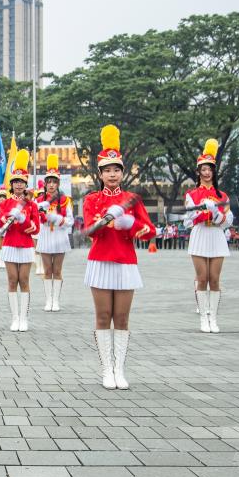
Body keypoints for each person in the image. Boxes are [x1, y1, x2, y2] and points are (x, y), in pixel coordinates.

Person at [84, 125, 155, 390]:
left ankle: (120, 369)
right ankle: (106, 370)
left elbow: (149, 231)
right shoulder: (92, 199)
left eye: (116, 169)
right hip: (100, 261)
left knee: (122, 318)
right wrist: (108, 220)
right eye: (107, 170)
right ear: (100, 174)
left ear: (122, 172)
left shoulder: (132, 199)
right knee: (103, 316)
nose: (112, 174)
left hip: (126, 262)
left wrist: (129, 224)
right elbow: (90, 229)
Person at [184, 139, 234, 334]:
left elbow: (227, 221)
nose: (206, 173)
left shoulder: (222, 196)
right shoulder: (192, 195)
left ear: (214, 172)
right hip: (200, 236)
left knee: (214, 279)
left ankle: (213, 318)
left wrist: (215, 212)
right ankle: (203, 318)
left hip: (216, 236)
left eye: (210, 169)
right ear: (198, 172)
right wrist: (202, 211)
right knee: (202, 278)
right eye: (203, 169)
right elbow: (189, 219)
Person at [0, 150, 41, 332]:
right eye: (15, 182)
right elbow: (1, 223)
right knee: (12, 280)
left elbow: (36, 228)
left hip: (25, 245)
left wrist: (24, 220)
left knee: (24, 279)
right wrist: (9, 218)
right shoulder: (4, 203)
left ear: (25, 184)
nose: (18, 185)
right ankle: (14, 318)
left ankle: (24, 318)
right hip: (9, 244)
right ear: (11, 184)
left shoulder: (32, 205)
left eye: (21, 182)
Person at [34, 155, 74, 311]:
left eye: (54, 182)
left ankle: (56, 300)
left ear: (58, 183)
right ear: (45, 184)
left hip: (59, 235)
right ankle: (48, 299)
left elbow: (70, 221)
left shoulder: (65, 200)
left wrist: (59, 220)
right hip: (45, 235)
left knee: (57, 270)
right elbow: (35, 218)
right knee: (47, 270)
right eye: (48, 182)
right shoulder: (39, 200)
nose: (51, 185)